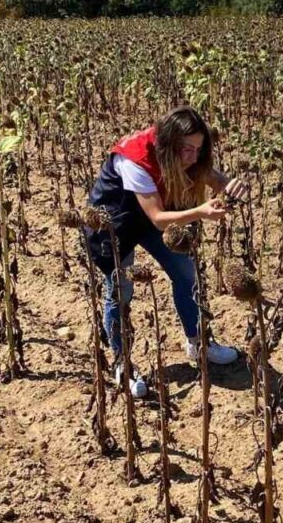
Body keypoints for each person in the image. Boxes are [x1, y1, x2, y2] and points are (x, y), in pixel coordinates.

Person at [85, 106, 250, 398]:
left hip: (151, 217)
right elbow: (158, 218)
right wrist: (201, 211)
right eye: (186, 149)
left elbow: (202, 171)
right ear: (168, 144)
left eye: (198, 149)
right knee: (120, 290)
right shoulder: (135, 159)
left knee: (186, 272)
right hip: (114, 222)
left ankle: (198, 342)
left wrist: (226, 183)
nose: (192, 157)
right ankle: (122, 362)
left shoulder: (182, 153)